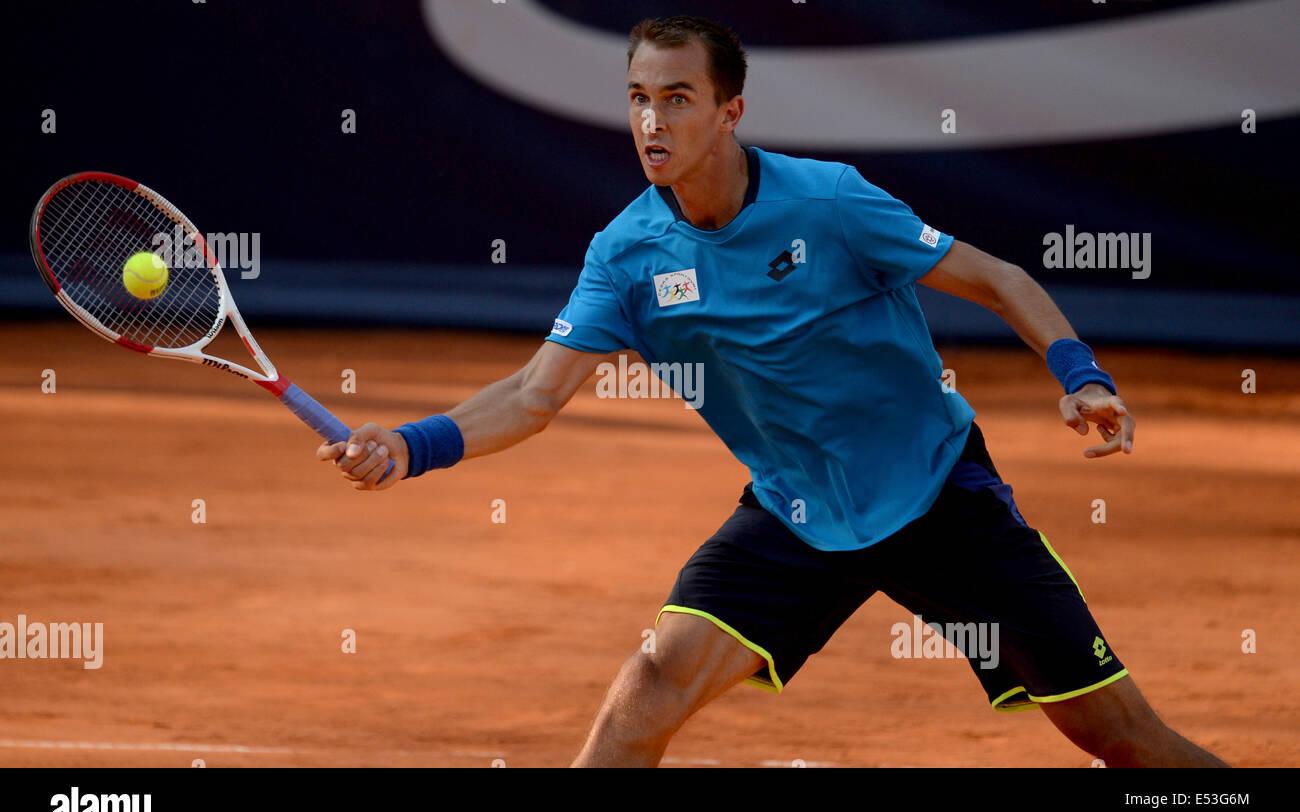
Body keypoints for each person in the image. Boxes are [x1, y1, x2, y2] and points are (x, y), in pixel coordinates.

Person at [319, 15, 1227, 768]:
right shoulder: (626, 253)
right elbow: (531, 394)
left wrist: (1080, 375)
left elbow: (999, 278)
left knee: (1121, 738)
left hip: (938, 496)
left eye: (678, 98)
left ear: (729, 111)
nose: (652, 122)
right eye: (639, 99)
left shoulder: (829, 203)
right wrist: (410, 444)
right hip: (794, 513)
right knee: (649, 687)